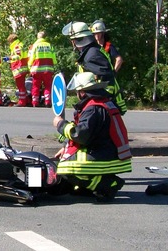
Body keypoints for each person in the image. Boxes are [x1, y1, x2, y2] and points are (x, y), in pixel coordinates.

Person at [53, 71, 131, 201]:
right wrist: (66, 147)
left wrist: (60, 124)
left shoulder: (93, 108)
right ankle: (87, 187)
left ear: (82, 92)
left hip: (103, 155)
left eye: (78, 91)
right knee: (67, 160)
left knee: (65, 168)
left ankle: (107, 185)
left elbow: (81, 135)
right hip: (107, 152)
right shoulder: (102, 102)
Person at [62, 21, 127, 115]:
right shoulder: (91, 51)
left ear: (76, 40)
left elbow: (106, 81)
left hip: (103, 103)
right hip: (102, 102)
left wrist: (93, 98)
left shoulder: (92, 55)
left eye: (72, 40)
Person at [27, 31, 56, 107]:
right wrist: (53, 65)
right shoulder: (49, 45)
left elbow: (32, 57)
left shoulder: (35, 46)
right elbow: (54, 58)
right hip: (48, 69)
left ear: (38, 37)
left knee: (36, 86)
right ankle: (47, 101)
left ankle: (35, 102)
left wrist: (29, 66)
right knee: (47, 86)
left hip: (37, 69)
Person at [7, 34, 30, 107]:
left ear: (11, 40)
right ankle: (26, 100)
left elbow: (18, 56)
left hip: (19, 68)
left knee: (20, 86)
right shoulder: (20, 44)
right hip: (21, 67)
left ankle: (22, 102)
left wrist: (10, 58)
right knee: (21, 85)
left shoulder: (17, 46)